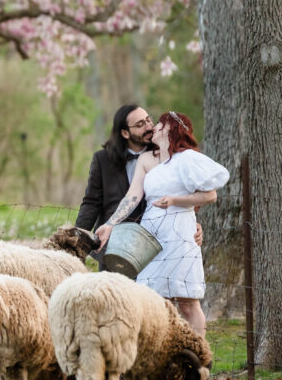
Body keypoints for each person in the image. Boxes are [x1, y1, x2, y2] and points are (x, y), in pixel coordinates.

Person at [94, 112, 229, 337]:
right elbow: (133, 195)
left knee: (187, 302)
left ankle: (198, 357)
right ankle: (164, 355)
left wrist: (176, 201)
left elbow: (210, 195)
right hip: (152, 237)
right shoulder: (149, 161)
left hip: (180, 235)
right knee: (155, 300)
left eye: (159, 123)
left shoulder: (186, 159)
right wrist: (110, 224)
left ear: (170, 129)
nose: (153, 126)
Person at [75, 105, 156, 265]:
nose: (149, 127)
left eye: (148, 120)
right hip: (112, 247)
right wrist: (78, 242)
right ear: (125, 133)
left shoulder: (163, 155)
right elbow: (91, 203)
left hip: (154, 246)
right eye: (140, 125)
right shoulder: (103, 159)